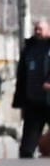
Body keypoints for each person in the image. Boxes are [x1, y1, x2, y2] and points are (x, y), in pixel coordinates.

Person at [16, 19, 50, 157]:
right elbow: (22, 74)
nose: (37, 31)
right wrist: (21, 100)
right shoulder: (29, 48)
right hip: (34, 101)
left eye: (40, 29)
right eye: (36, 28)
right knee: (27, 147)